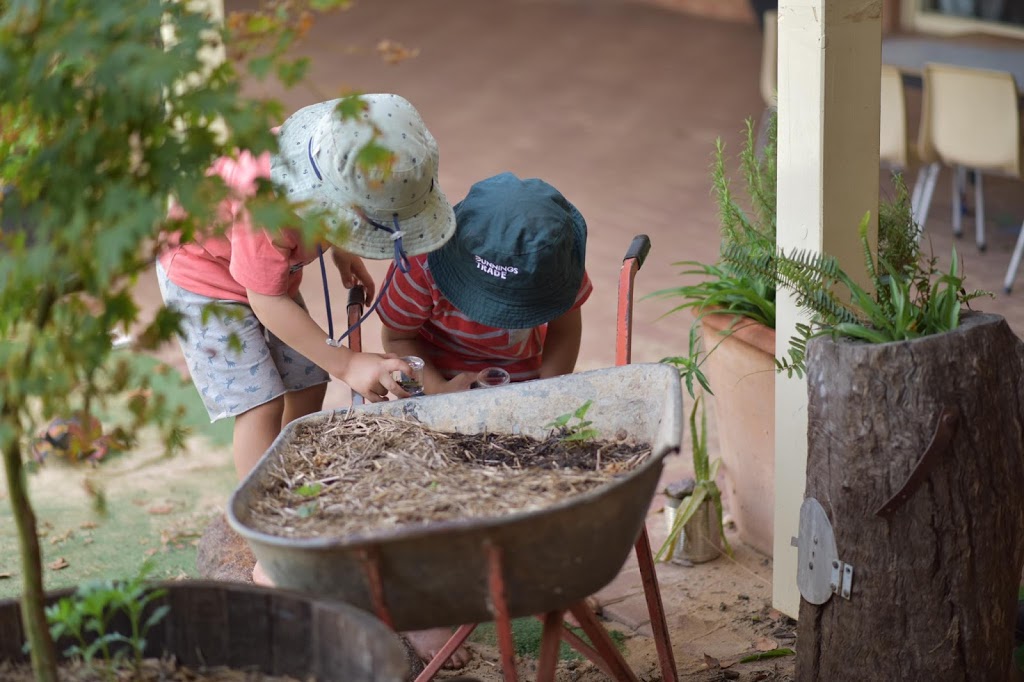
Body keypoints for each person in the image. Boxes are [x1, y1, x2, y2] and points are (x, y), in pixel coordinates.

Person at [376, 171, 592, 394]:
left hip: (527, 381)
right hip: (437, 381)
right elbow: (398, 338)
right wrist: (439, 390)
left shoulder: (556, 264)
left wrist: (546, 392)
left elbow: (564, 331)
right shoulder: (419, 264)